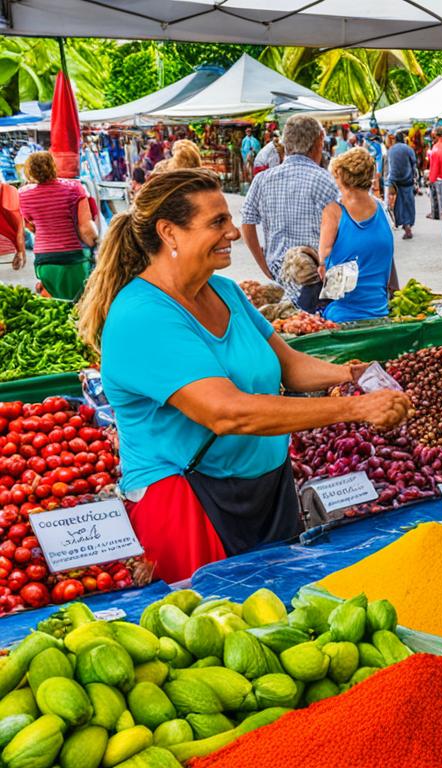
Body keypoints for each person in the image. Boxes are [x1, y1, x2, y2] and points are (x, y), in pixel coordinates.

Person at [77, 168, 411, 583]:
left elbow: (288, 364)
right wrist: (354, 408)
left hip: (267, 488)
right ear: (169, 233)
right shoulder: (142, 315)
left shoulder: (226, 292)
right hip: (191, 500)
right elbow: (227, 413)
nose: (234, 232)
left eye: (229, 219)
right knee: (217, 629)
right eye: (217, 222)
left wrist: (349, 373)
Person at [241, 115, 340, 299]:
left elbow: (247, 223)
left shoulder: (262, 180)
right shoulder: (326, 181)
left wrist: (263, 265)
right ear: (318, 143)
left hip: (277, 275)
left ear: (286, 144)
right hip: (314, 279)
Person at [319, 148, 395, 323]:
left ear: (343, 178)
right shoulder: (382, 209)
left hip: (342, 315)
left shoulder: (334, 212)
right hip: (380, 311)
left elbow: (323, 262)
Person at [18, 151, 97, 300]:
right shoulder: (74, 187)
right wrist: (95, 244)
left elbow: (29, 226)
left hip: (45, 259)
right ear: (53, 166)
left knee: (55, 307)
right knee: (80, 304)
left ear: (29, 171)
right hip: (74, 257)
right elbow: (86, 227)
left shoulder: (23, 195)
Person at [385, 132, 418, 239]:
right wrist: (415, 178)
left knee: (398, 205)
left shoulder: (391, 150)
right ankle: (408, 225)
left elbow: (389, 166)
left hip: (395, 181)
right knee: (408, 204)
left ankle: (402, 224)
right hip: (407, 181)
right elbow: (414, 163)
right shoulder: (408, 149)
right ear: (403, 139)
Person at [0, 181, 25, 272]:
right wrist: (21, 251)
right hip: (8, 251)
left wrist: (20, 251)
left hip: (7, 252)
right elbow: (18, 225)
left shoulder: (9, 191)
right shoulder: (9, 191)